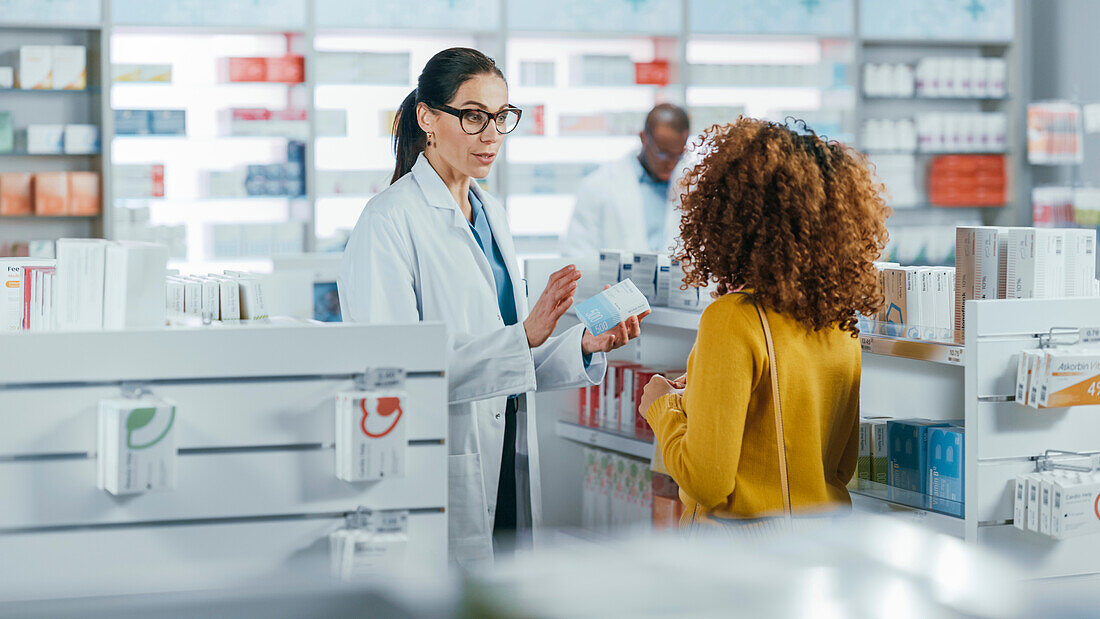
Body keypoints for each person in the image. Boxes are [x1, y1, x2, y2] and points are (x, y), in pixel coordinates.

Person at [337, 48, 646, 565]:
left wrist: (578, 345)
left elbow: (507, 354)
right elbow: (393, 374)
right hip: (444, 459)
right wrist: (523, 336)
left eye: (502, 118)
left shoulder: (490, 212)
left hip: (505, 452)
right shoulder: (387, 222)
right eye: (475, 116)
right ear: (427, 118)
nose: (492, 135)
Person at [638, 117, 890, 530]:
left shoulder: (732, 319)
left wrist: (662, 405)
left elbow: (706, 483)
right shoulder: (840, 322)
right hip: (825, 547)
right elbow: (842, 467)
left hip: (743, 567)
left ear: (731, 217)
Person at [559, 103, 691, 257]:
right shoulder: (597, 186)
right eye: (662, 153)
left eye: (677, 155)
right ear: (643, 138)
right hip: (614, 281)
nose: (670, 162)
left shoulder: (693, 188)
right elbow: (576, 255)